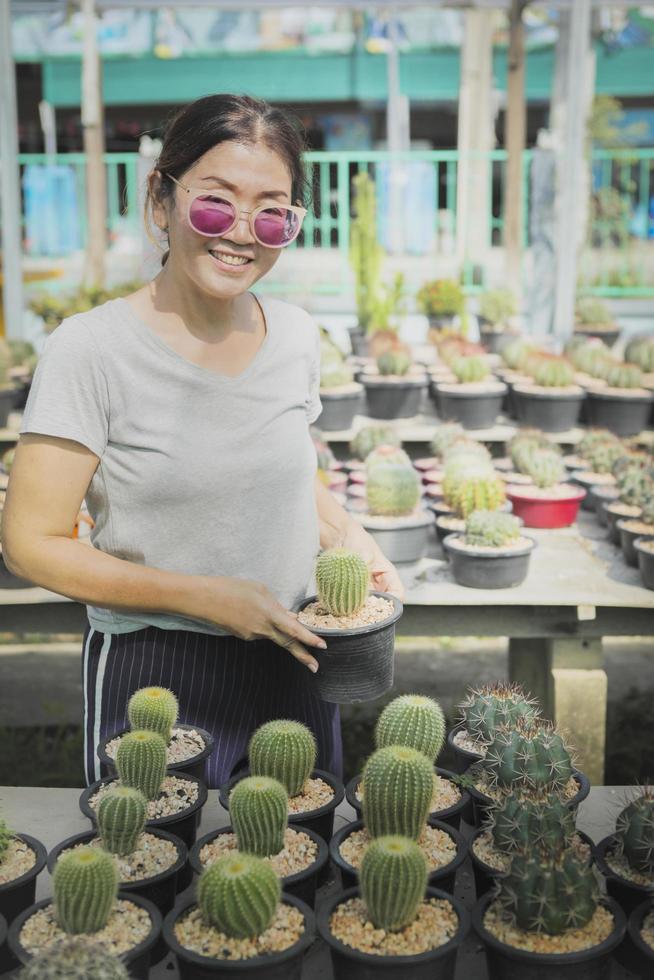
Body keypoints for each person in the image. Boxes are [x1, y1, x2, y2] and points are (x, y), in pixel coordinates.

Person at [2, 94, 403, 789]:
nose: (241, 233)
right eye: (216, 204)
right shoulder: (90, 350)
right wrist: (206, 598)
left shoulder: (298, 336)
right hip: (155, 671)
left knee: (292, 880)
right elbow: (31, 542)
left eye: (272, 212)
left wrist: (349, 533)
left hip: (296, 657)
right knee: (157, 877)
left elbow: (276, 470)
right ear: (161, 199)